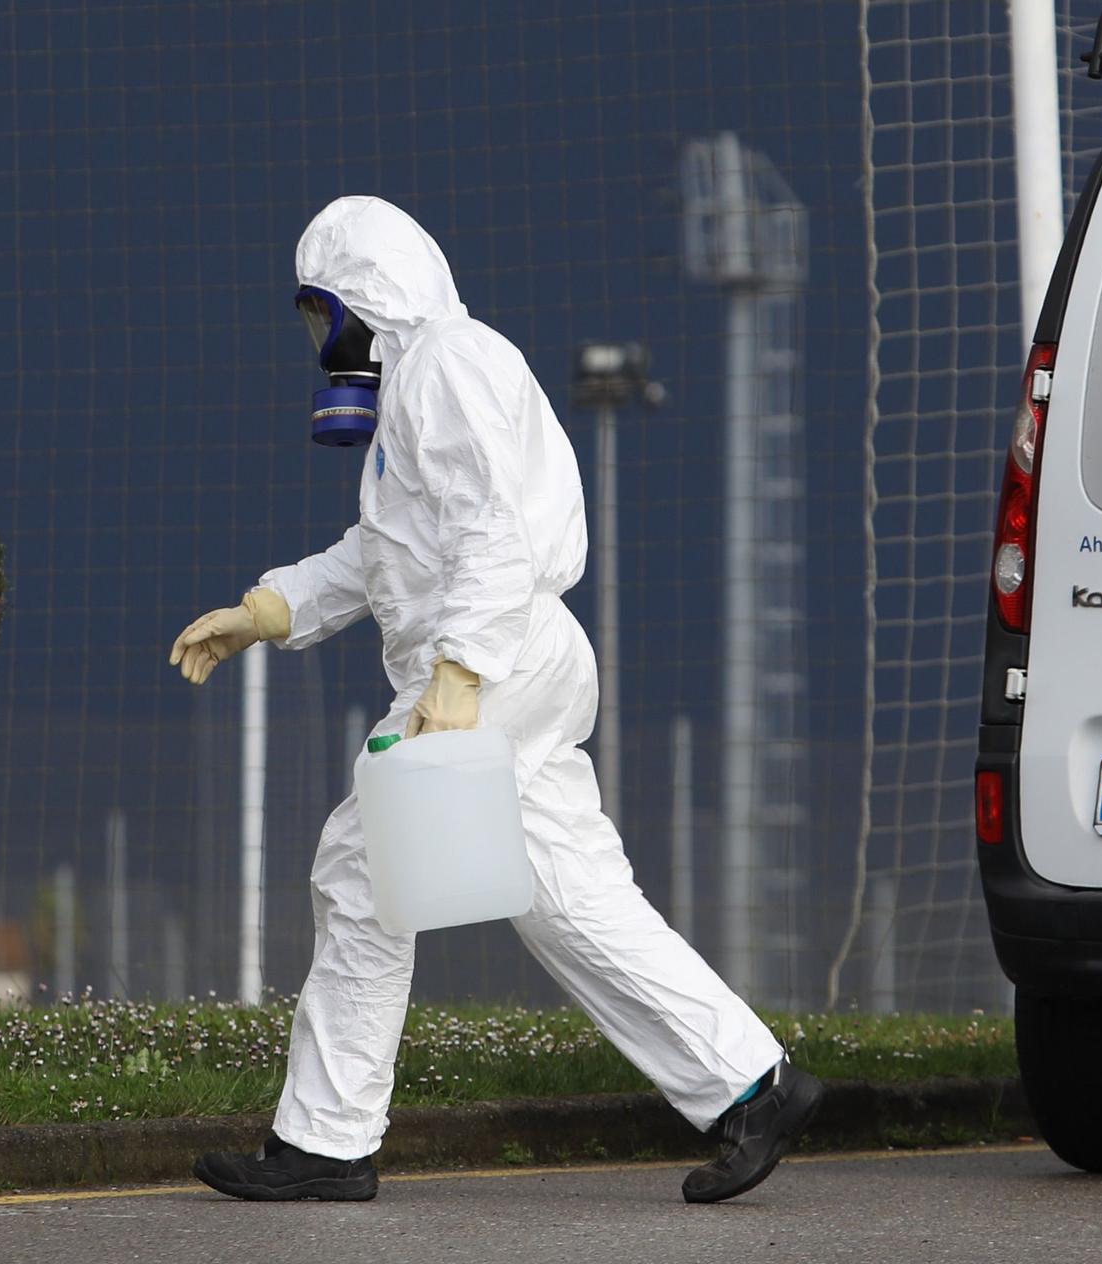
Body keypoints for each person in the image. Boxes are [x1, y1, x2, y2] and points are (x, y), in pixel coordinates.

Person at [168, 196, 819, 1205]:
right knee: (567, 896)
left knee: (359, 868)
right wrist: (263, 609)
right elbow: (383, 556)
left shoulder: (446, 364)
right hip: (510, 656)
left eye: (319, 310)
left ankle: (326, 1141)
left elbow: (493, 528)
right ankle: (749, 1082)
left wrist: (458, 672)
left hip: (494, 657)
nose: (316, 336)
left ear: (363, 296)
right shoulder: (416, 387)